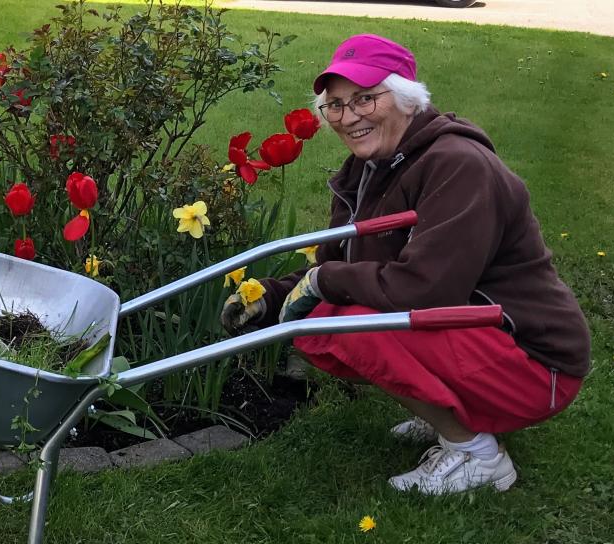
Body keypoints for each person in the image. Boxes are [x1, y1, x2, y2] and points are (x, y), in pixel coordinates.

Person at [220, 33, 590, 495]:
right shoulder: (370, 169)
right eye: (334, 105)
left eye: (365, 99)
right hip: (480, 337)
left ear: (408, 98)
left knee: (340, 322)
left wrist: (323, 282)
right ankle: (447, 411)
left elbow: (426, 290)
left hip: (536, 365)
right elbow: (341, 264)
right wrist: (271, 295)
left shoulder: (458, 165)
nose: (347, 116)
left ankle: (477, 453)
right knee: (325, 311)